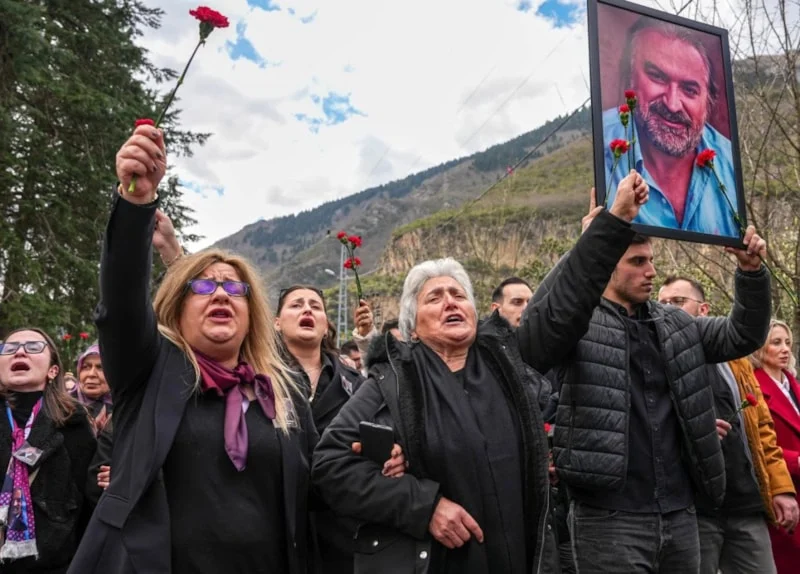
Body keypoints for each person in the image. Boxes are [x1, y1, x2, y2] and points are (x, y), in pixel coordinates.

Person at [313, 171, 650, 573]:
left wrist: (612, 223)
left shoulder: (508, 359)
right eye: (434, 297)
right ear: (412, 324)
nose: (450, 302)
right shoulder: (394, 381)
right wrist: (425, 506)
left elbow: (563, 303)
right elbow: (331, 464)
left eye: (459, 295)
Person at [69, 124, 319, 574]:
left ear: (252, 313)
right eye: (204, 286)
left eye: (233, 288)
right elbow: (122, 300)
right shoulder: (149, 372)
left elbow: (313, 494)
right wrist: (136, 203)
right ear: (177, 309)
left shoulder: (282, 395)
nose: (220, 294)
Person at [530, 192, 771, 572]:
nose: (651, 272)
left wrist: (752, 273)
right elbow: (537, 330)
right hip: (609, 519)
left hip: (680, 514)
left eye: (652, 261)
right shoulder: (580, 322)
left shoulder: (676, 323)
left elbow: (743, 335)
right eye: (638, 262)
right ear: (609, 264)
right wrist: (590, 245)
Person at [659, 276, 797, 574]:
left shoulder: (737, 360)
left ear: (704, 309)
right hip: (694, 511)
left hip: (746, 506)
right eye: (663, 303)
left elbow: (763, 431)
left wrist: (781, 489)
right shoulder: (658, 359)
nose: (667, 310)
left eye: (678, 302)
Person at [275, 284, 404, 573]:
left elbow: (382, 429)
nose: (307, 309)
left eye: (315, 306)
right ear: (276, 322)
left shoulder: (355, 382)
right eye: (296, 305)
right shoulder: (256, 376)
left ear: (325, 325)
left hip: (341, 529)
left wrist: (396, 454)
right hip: (277, 522)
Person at [603, 17, 738, 236]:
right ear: (630, 78)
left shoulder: (729, 162)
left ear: (708, 102)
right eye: (657, 77)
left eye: (689, 89)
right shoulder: (602, 147)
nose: (672, 104)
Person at [0, 328, 96, 574]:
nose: (19, 352)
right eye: (8, 349)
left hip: (54, 564)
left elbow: (86, 503)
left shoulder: (73, 422)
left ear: (53, 370)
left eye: (33, 347)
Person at [750, 319, 800, 573]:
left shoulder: (793, 383)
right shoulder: (753, 386)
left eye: (788, 343)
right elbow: (756, 442)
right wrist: (796, 461)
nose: (785, 349)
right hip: (783, 490)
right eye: (776, 343)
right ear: (759, 348)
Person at [73, 344, 113, 433]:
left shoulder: (122, 409)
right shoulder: (62, 406)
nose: (91, 374)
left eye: (100, 367)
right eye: (85, 367)